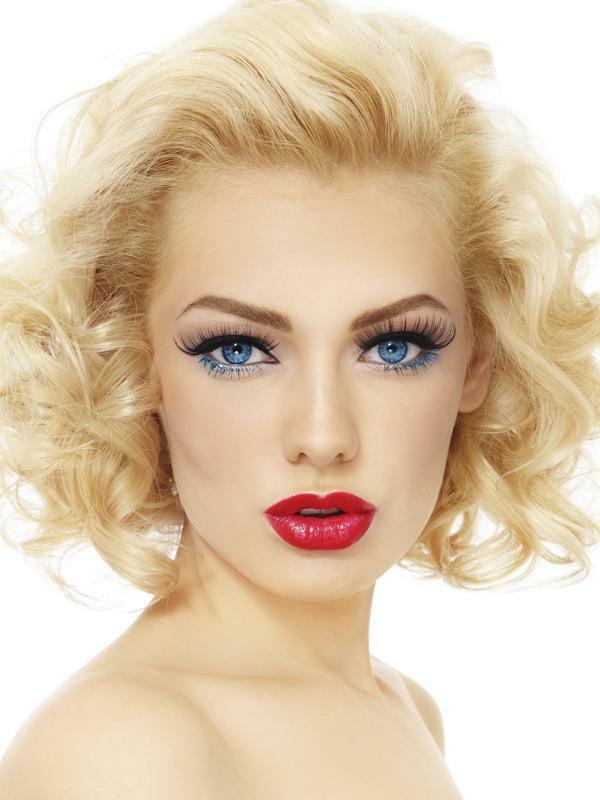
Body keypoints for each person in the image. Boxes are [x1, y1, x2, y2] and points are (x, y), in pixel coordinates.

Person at [0, 0, 598, 797]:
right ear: (134, 366)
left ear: (477, 365)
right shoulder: (123, 752)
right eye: (238, 350)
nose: (322, 435)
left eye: (394, 347)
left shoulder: (407, 711)